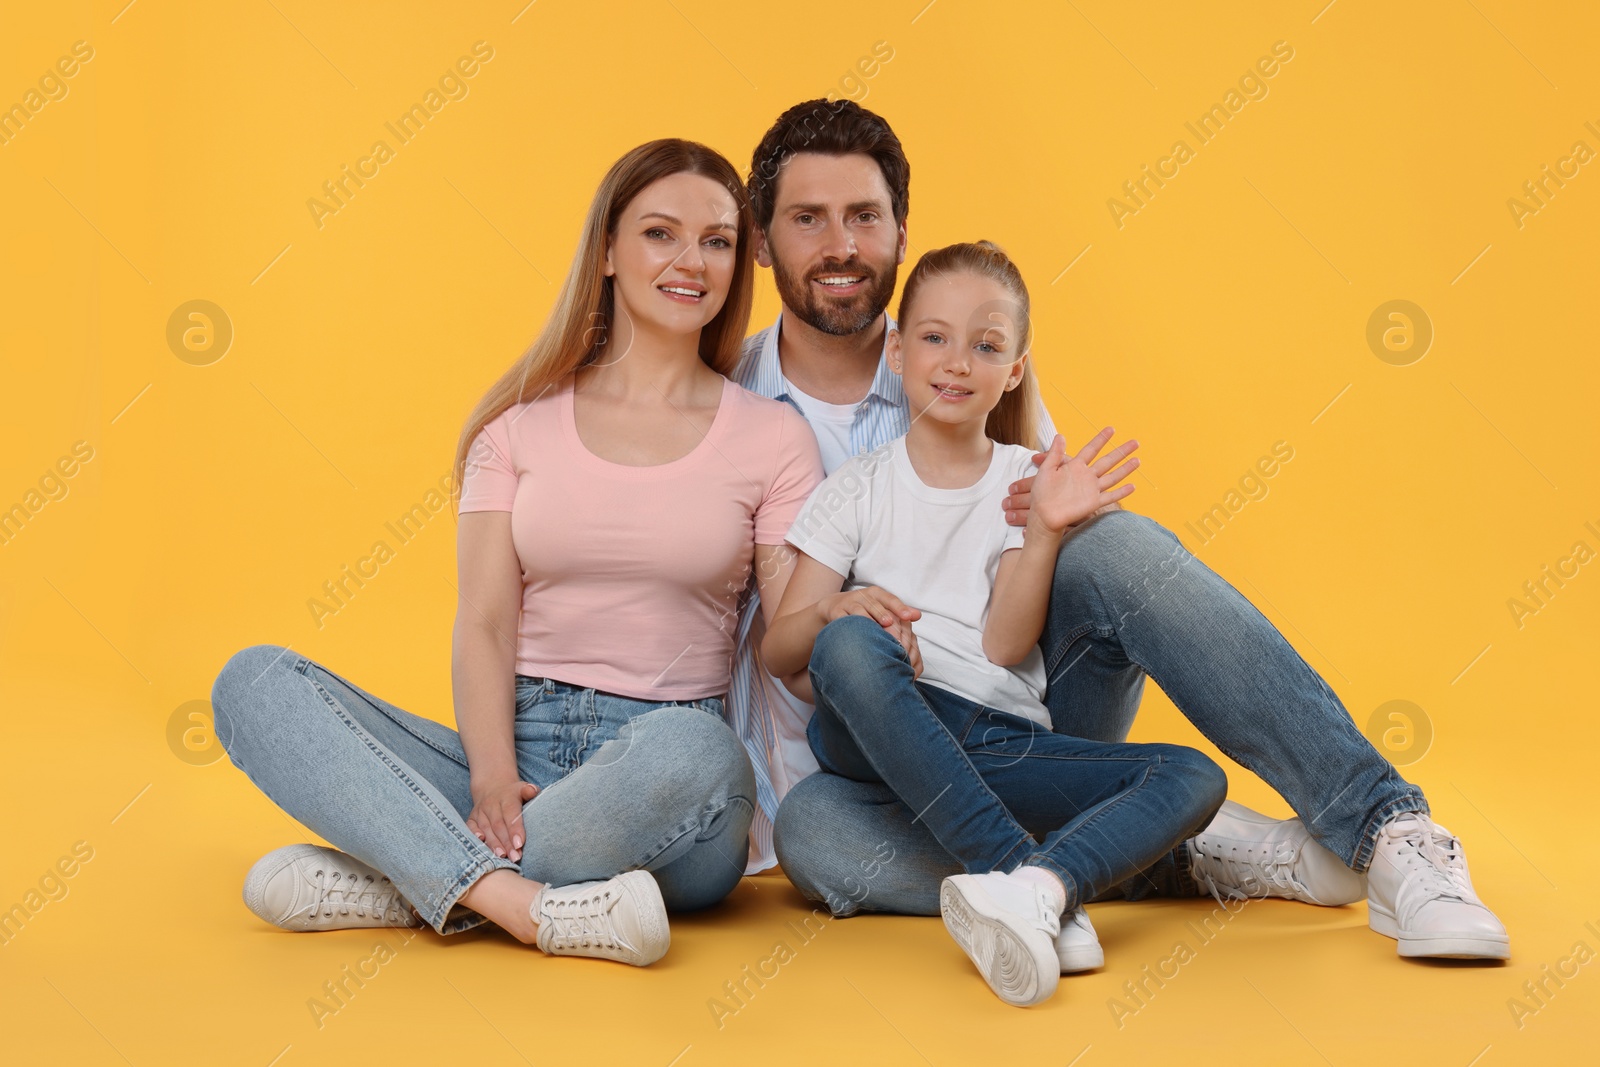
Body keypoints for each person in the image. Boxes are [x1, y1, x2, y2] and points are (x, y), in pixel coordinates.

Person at [729, 98, 1509, 963]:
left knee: (1116, 547)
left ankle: (1389, 831)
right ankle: (1138, 855)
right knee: (821, 840)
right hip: (866, 767)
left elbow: (1034, 607)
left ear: (901, 233)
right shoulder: (728, 407)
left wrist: (1055, 530)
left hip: (1027, 723)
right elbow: (785, 656)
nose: (840, 245)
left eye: (864, 216)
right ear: (762, 240)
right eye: (807, 219)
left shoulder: (973, 361)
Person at [209, 138, 825, 966]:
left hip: (667, 775)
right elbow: (487, 624)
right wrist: (493, 775)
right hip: (514, 754)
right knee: (253, 680)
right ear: (606, 251)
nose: (692, 261)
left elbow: (790, 642)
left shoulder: (774, 436)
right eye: (659, 233)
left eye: (716, 240)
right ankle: (524, 905)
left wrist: (849, 610)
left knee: (703, 752)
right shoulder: (517, 428)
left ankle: (410, 880)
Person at [761, 240, 1231, 1007]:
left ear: (1014, 370)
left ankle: (1042, 885)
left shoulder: (1025, 481)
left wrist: (1044, 530)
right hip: (884, 727)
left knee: (1193, 773)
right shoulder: (857, 489)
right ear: (897, 351)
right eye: (936, 337)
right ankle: (1035, 874)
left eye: (987, 346)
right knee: (845, 647)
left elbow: (1005, 647)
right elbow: (780, 651)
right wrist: (833, 608)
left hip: (1007, 742)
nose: (956, 362)